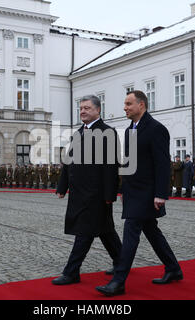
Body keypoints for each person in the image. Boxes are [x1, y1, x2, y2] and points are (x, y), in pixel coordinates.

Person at [96, 90, 182, 297]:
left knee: (131, 231)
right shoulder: (129, 130)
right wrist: (123, 188)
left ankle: (119, 281)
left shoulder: (156, 129)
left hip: (148, 192)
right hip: (133, 191)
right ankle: (173, 268)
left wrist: (161, 194)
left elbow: (162, 165)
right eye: (125, 104)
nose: (124, 107)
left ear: (141, 105)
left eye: (128, 103)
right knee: (151, 231)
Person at [53, 95, 122, 286]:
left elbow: (110, 166)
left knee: (84, 232)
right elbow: (68, 163)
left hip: (96, 194)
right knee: (106, 231)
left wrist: (110, 195)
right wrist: (62, 186)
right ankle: (122, 262)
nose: (83, 111)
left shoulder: (107, 132)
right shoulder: (77, 133)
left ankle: (71, 272)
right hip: (78, 193)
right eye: (81, 108)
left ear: (98, 110)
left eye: (87, 108)